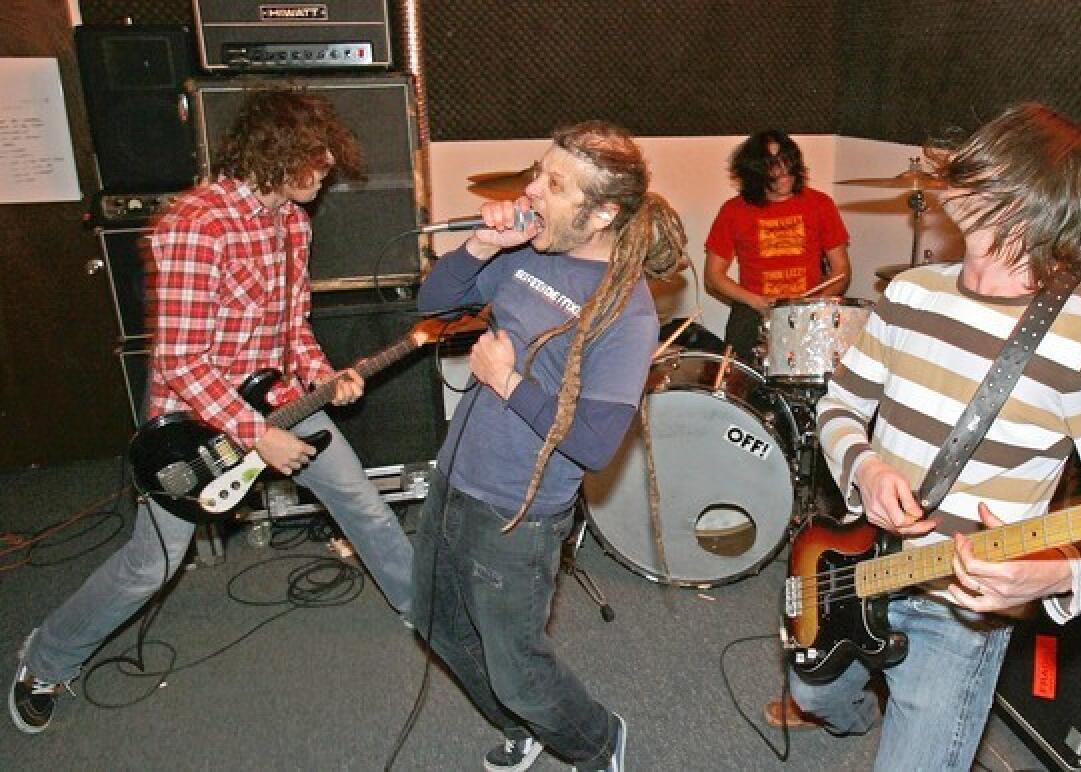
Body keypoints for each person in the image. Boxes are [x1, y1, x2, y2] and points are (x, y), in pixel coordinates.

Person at [9, 88, 415, 734]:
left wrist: (321, 375)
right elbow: (181, 363)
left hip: (273, 401)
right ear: (276, 154)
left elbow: (292, 331)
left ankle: (421, 605)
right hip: (196, 422)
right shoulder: (197, 225)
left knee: (358, 494)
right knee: (155, 563)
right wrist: (257, 437)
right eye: (317, 155)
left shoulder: (292, 224)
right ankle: (46, 658)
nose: (329, 166)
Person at [778, 103, 1081, 769]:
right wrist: (865, 468)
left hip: (957, 616)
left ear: (1027, 191)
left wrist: (1047, 574)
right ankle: (854, 709)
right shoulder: (911, 294)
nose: (955, 170)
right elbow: (839, 406)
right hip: (857, 564)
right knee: (811, 687)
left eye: (983, 159)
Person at [413, 121, 685, 772]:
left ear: (602, 213)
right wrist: (482, 245)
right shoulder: (528, 251)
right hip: (456, 476)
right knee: (433, 623)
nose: (531, 190)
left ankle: (596, 742)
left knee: (516, 667)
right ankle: (524, 726)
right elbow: (434, 301)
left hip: (518, 512)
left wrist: (505, 381)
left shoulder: (627, 312)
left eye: (553, 184)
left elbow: (595, 443)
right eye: (538, 171)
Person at [704, 129, 852, 364]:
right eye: (773, 167)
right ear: (755, 173)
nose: (783, 173)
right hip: (754, 310)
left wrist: (816, 306)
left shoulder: (820, 204)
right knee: (744, 366)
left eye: (787, 164)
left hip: (808, 309)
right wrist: (756, 301)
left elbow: (841, 270)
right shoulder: (733, 210)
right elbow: (713, 276)